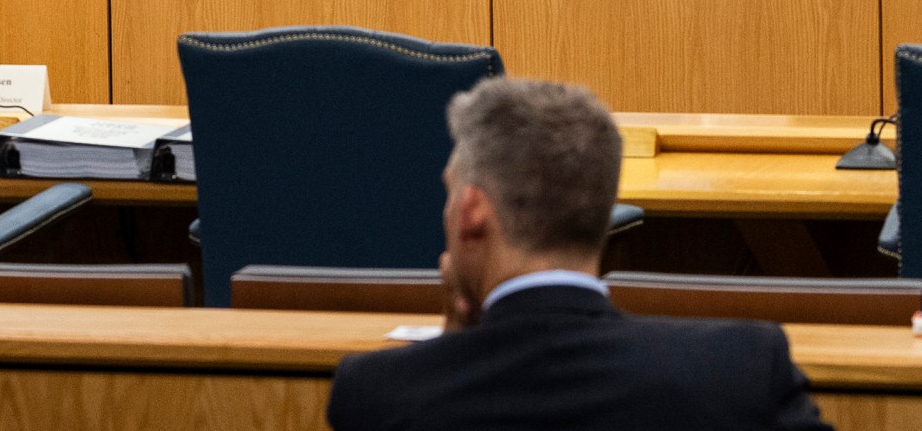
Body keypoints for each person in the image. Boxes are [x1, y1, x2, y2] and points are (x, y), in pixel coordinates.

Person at [327, 77, 829, 431]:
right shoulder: (740, 370)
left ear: (470, 212)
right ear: (601, 208)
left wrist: (449, 350)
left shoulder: (379, 394)